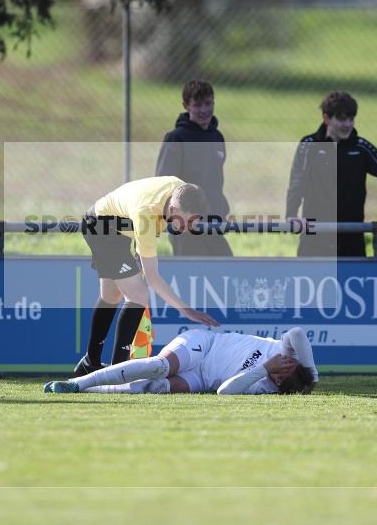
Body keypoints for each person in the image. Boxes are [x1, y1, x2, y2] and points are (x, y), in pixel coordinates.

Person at [74, 176, 219, 376]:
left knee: (111, 296)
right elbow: (152, 277)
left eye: (197, 220)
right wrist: (187, 310)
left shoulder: (182, 191)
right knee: (139, 296)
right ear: (173, 210)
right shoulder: (147, 215)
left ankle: (90, 362)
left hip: (118, 229)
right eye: (188, 221)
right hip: (102, 228)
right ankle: (118, 371)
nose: (192, 227)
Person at [286, 92, 377, 257]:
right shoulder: (309, 145)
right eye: (342, 119)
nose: (348, 124)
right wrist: (291, 215)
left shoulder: (361, 147)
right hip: (315, 236)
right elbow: (297, 182)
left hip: (352, 235)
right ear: (326, 119)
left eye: (351, 119)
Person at [46, 327, 318, 395]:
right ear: (293, 365)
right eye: (282, 373)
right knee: (158, 366)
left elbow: (224, 391)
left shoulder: (267, 385)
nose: (277, 377)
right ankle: (78, 382)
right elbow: (297, 333)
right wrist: (312, 375)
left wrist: (264, 370)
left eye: (280, 382)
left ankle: (88, 389)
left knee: (154, 387)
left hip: (201, 379)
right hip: (205, 346)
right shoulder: (289, 352)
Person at [155, 80, 233, 256]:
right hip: (186, 227)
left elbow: (215, 180)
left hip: (213, 222)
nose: (204, 110)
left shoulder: (217, 137)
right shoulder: (176, 138)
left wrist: (221, 210)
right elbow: (163, 184)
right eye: (197, 105)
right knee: (191, 277)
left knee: (227, 268)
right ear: (186, 106)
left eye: (208, 103)